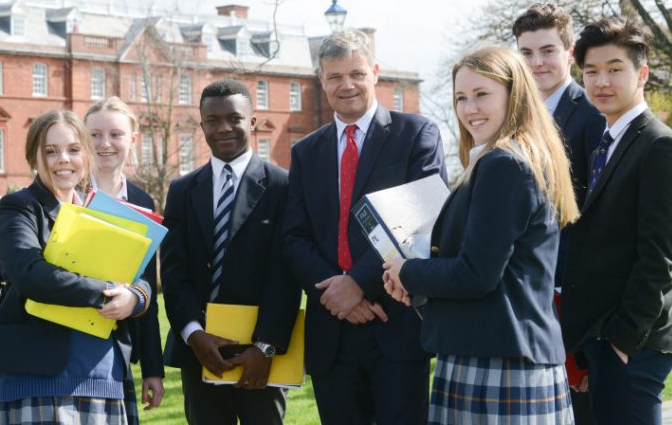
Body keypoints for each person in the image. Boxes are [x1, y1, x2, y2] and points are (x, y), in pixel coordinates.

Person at [383, 46, 578, 424]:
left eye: (481, 94)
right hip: (500, 353)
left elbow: (476, 274)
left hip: (498, 360)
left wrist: (407, 272)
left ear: (514, 94)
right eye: (460, 98)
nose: (469, 109)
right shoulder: (513, 157)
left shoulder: (504, 163)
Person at [0, 98, 165, 420]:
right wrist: (110, 291)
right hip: (35, 374)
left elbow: (140, 277)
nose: (63, 160)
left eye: (72, 149)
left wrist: (135, 297)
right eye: (50, 151)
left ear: (86, 155)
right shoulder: (19, 207)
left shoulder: (101, 212)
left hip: (103, 370)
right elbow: (26, 274)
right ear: (34, 157)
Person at [283, 28, 446, 424]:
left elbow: (420, 225)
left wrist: (357, 284)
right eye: (335, 76)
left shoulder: (415, 135)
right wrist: (337, 292)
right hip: (331, 330)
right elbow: (294, 236)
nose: (347, 85)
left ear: (375, 72)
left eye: (356, 73)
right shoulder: (306, 151)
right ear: (321, 80)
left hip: (395, 323)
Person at [560, 19, 672, 425]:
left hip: (634, 343)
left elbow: (662, 258)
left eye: (615, 68)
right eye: (591, 71)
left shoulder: (661, 146)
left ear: (643, 74)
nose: (602, 81)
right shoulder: (604, 141)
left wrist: (620, 340)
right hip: (598, 339)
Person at [160, 78, 300, 425]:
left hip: (262, 354)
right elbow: (175, 272)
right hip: (202, 351)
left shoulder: (283, 186)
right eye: (213, 120)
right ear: (202, 124)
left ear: (252, 122)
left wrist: (265, 346)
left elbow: (286, 274)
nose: (223, 128)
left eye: (234, 118)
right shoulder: (181, 190)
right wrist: (194, 335)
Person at [513, 2, 605, 423]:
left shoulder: (592, 115)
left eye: (547, 50)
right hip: (526, 294)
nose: (537, 62)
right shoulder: (514, 118)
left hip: (574, 296)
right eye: (526, 53)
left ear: (569, 53)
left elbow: (595, 217)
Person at [84, 97, 166, 413]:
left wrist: (153, 370)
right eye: (95, 134)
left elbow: (146, 288)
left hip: (117, 345)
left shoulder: (143, 202)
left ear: (132, 140)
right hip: (61, 342)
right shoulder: (64, 191)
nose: (105, 144)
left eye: (115, 134)